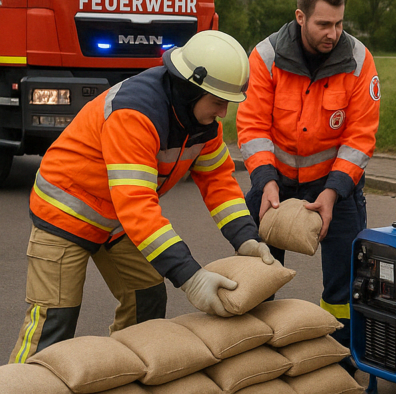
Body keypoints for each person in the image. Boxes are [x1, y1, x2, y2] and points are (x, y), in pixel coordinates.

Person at [10, 30, 273, 363]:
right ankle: (19, 382)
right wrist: (191, 276)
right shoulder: (136, 112)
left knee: (146, 297)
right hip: (65, 212)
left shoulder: (202, 125)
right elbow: (136, 204)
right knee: (54, 322)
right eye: (218, 102)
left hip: (116, 219)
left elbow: (218, 181)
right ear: (191, 89)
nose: (223, 113)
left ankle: (124, 373)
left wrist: (246, 238)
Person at [237, 0, 379, 347]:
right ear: (300, 17)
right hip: (275, 181)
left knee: (346, 283)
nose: (333, 33)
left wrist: (333, 192)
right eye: (323, 24)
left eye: (339, 23)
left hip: (336, 185)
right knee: (258, 273)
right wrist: (265, 182)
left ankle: (341, 357)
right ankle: (258, 351)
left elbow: (360, 137)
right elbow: (252, 127)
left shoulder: (359, 61)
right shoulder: (266, 57)